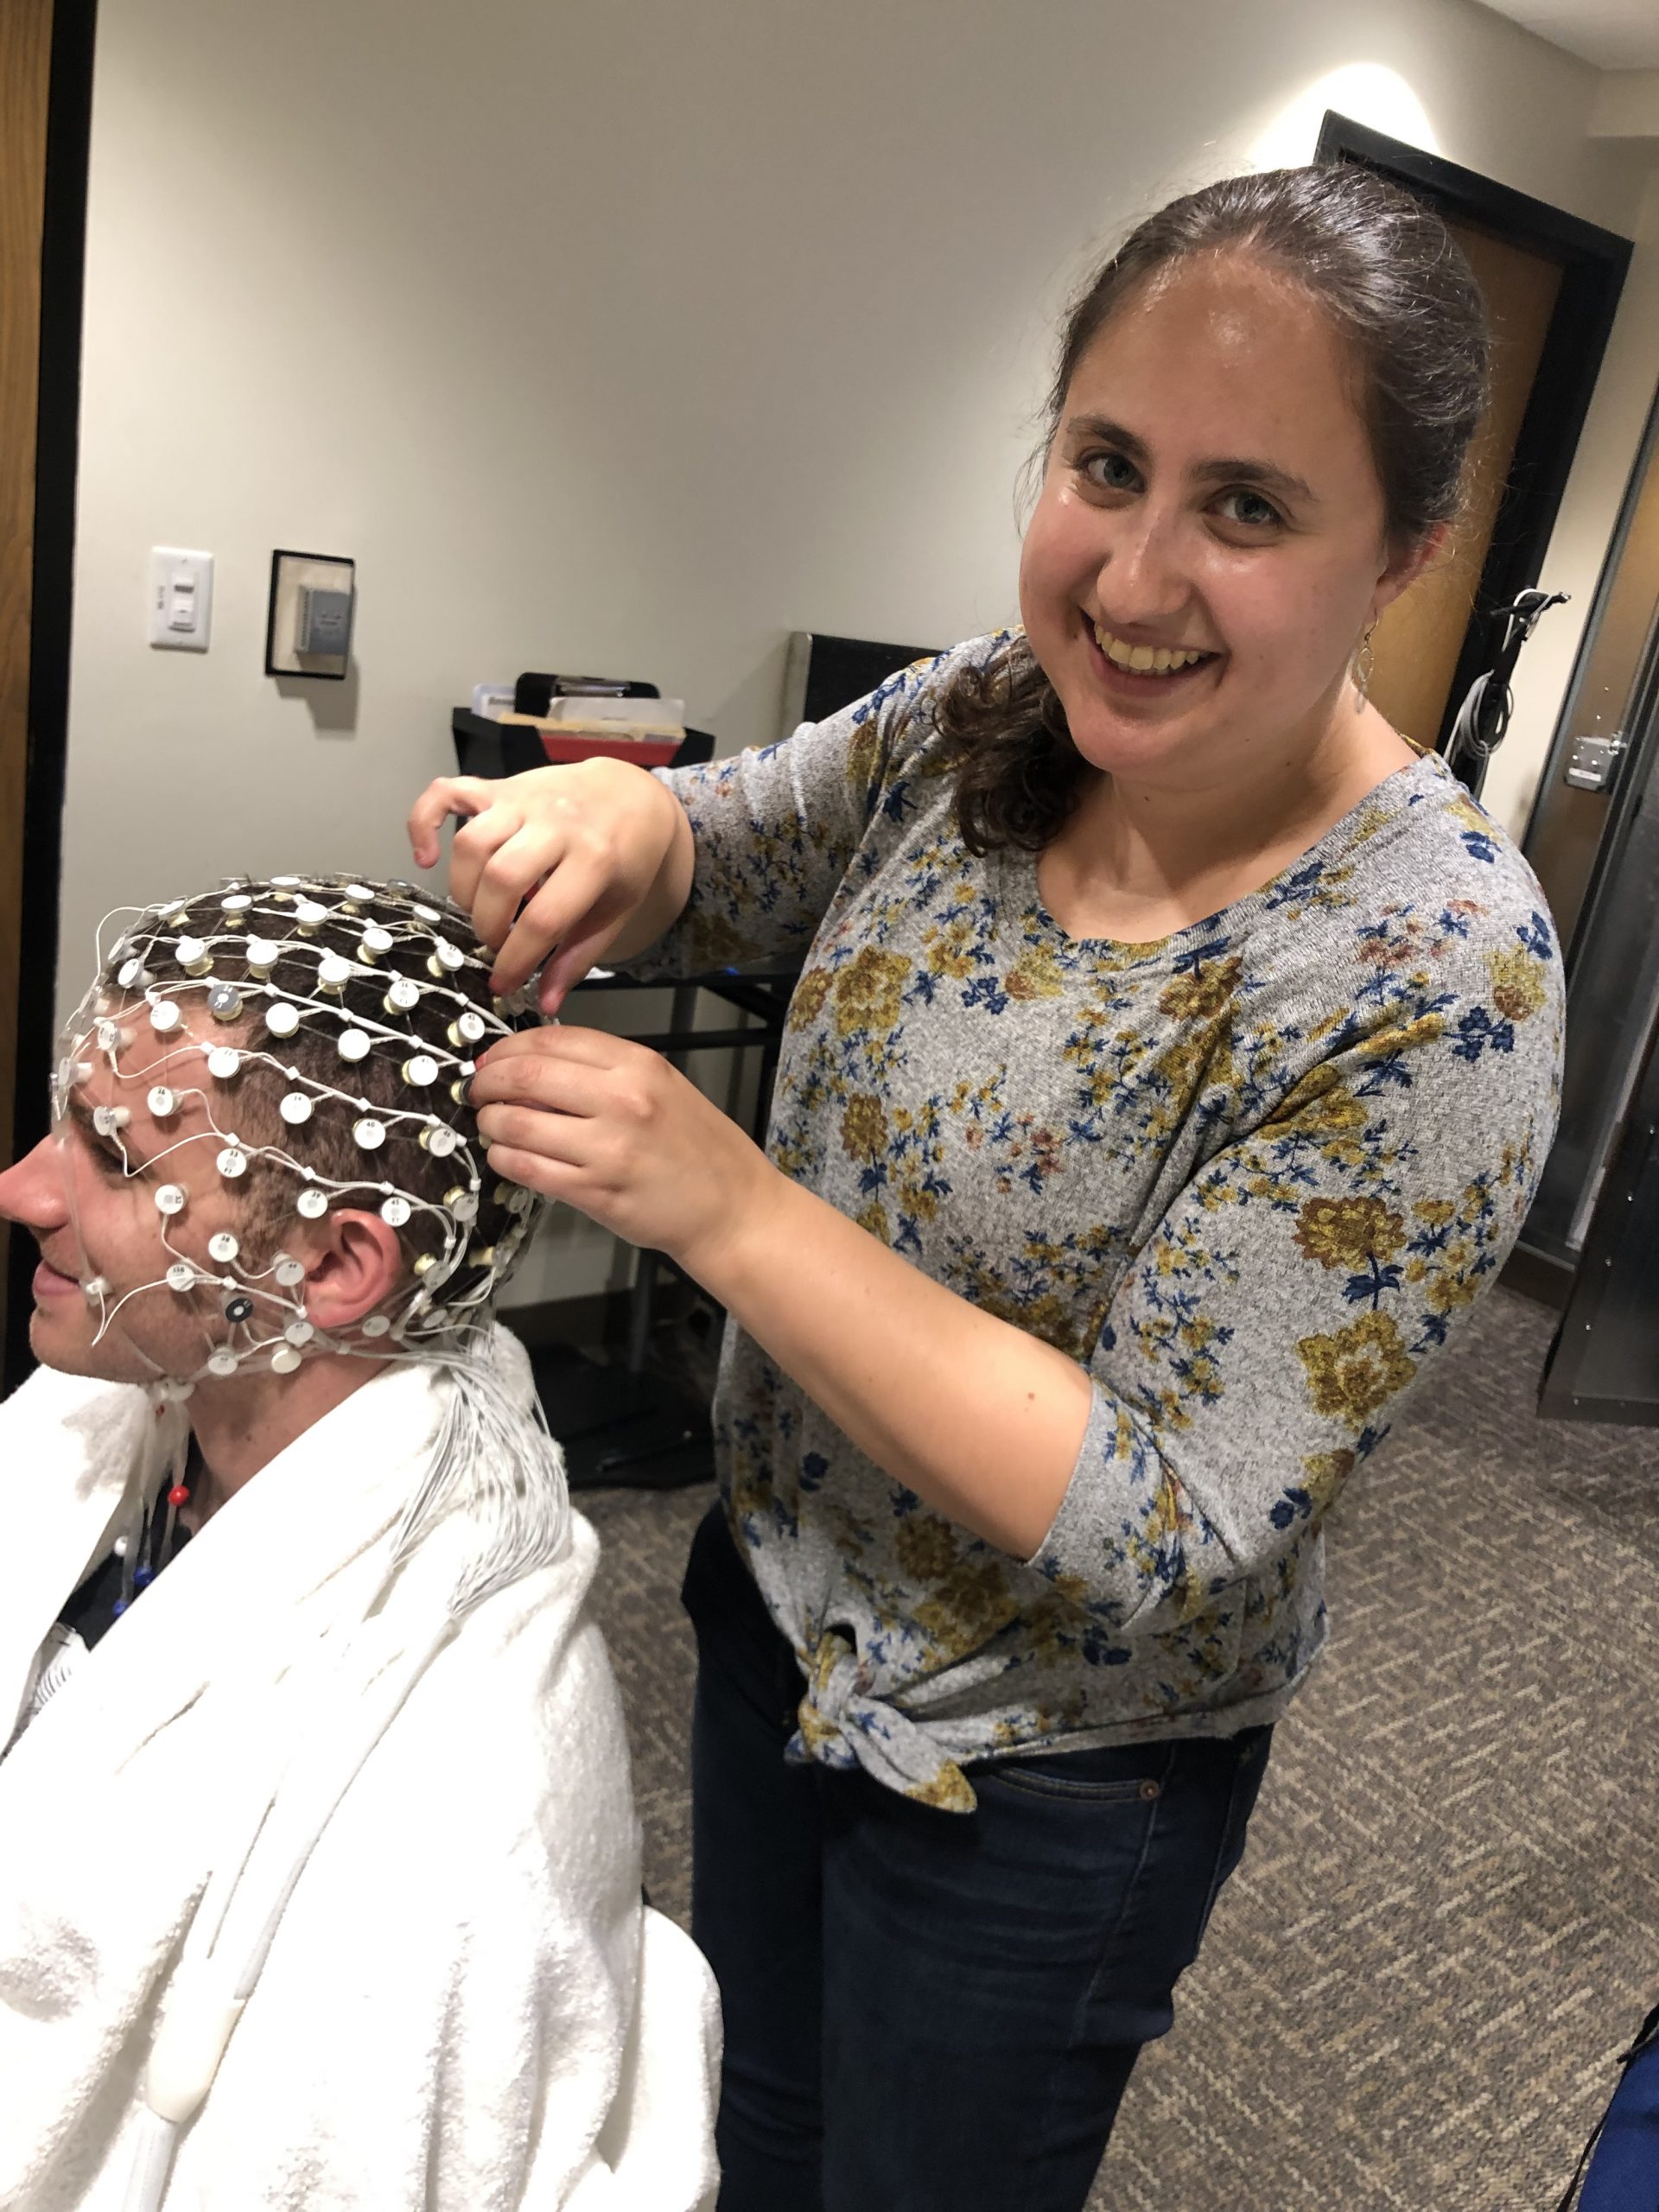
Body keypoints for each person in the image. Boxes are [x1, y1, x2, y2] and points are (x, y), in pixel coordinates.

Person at [409, 165, 1565, 2212]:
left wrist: (736, 1210)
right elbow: (728, 840)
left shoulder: (1434, 972)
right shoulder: (984, 718)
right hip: (775, 1616)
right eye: (1106, 464)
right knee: (747, 2129)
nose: (1134, 575)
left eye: (1250, 507)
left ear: (1408, 552)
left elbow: (1175, 1511)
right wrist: (613, 812)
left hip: (1038, 1780)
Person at [0, 874, 719, 2212]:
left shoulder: (439, 1845)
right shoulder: (141, 1420)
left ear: (336, 1271)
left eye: (109, 1155)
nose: (20, 1188)